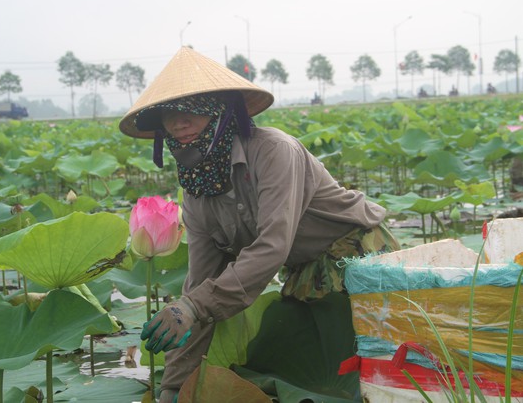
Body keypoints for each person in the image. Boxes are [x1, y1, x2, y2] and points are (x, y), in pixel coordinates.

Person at [119, 47, 400, 403]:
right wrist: (174, 387)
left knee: (380, 373)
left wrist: (193, 307)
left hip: (361, 259)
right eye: (168, 114)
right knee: (295, 374)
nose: (178, 123)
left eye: (191, 109)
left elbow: (272, 247)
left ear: (220, 109)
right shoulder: (197, 190)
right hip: (305, 276)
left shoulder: (274, 151)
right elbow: (201, 284)